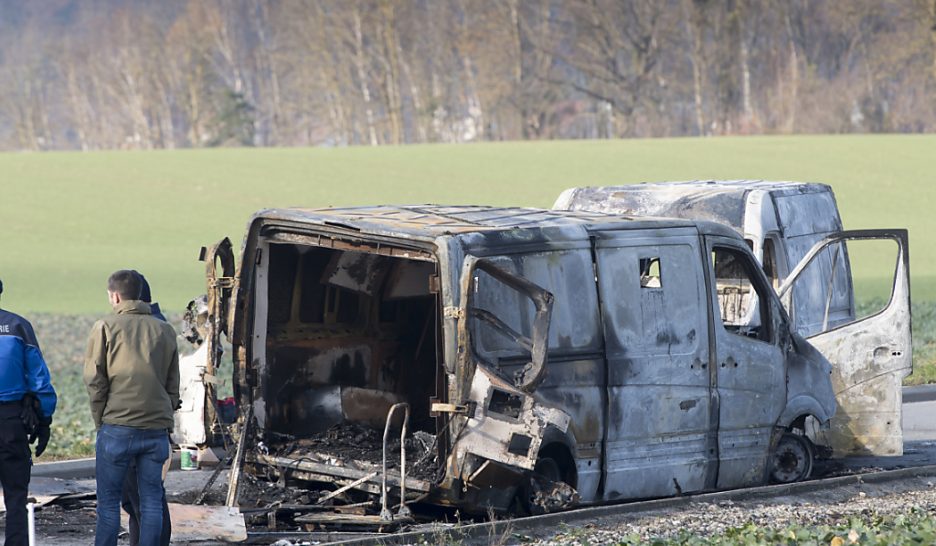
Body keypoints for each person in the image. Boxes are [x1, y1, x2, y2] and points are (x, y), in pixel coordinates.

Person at [84, 270, 179, 546]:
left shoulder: (105, 326)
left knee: (109, 505)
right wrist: (165, 413)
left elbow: (94, 379)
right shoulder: (164, 329)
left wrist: (100, 419)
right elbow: (173, 383)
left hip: (117, 427)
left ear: (115, 296)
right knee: (151, 502)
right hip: (155, 429)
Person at [0, 278, 57, 546]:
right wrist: (44, 420)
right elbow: (40, 381)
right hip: (12, 423)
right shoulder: (18, 327)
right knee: (15, 498)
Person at [120, 272, 172, 546]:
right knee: (140, 500)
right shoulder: (159, 326)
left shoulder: (142, 329)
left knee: (143, 499)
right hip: (153, 423)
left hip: (133, 424)